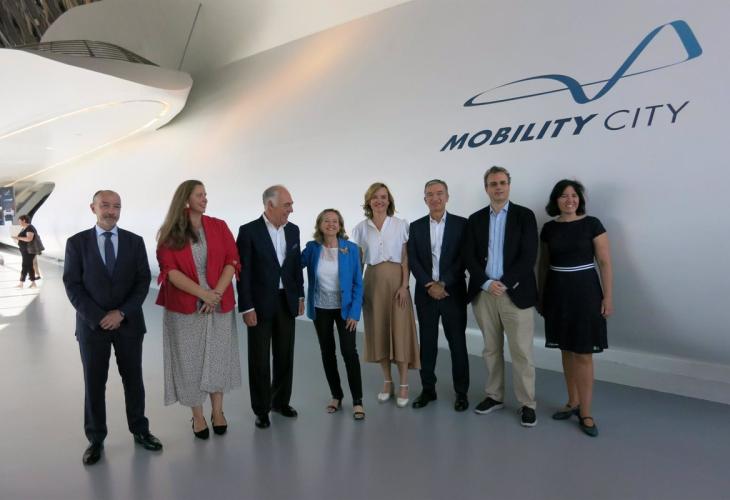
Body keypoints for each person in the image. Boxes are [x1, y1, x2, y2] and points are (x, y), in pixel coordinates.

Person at [62, 190, 162, 466]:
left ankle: (140, 430)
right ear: (92, 207)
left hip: (129, 325)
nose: (111, 211)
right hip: (92, 327)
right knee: (94, 383)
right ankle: (96, 439)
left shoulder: (134, 242)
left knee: (134, 380)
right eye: (105, 205)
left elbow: (142, 281)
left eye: (116, 206)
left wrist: (121, 312)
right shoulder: (76, 243)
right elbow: (72, 285)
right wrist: (99, 317)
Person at [156, 180, 242, 439]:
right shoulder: (169, 233)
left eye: (206, 194)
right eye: (199, 195)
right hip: (186, 304)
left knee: (217, 357)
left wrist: (214, 295)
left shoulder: (219, 226)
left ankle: (217, 412)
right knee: (190, 361)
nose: (205, 199)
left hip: (218, 300)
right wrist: (203, 294)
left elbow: (232, 260)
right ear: (185, 199)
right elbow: (169, 271)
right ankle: (197, 416)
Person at [464, 166, 539, 427]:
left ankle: (527, 403)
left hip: (515, 293)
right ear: (486, 188)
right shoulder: (475, 219)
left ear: (509, 185)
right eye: (493, 183)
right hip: (484, 294)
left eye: (502, 183)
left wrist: (504, 283)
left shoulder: (524, 216)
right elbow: (468, 256)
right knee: (491, 349)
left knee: (522, 352)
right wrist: (486, 283)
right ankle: (494, 396)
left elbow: (529, 255)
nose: (498, 187)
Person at [538, 179, 613, 437]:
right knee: (566, 349)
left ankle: (587, 412)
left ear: (579, 199)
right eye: (563, 195)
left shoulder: (593, 224)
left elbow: (604, 263)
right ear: (556, 200)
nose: (569, 200)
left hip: (586, 293)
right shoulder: (549, 228)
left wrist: (608, 297)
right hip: (558, 293)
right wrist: (541, 296)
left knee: (583, 353)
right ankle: (572, 402)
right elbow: (543, 265)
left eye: (574, 195)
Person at [237, 185, 305, 429]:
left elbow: (295, 266)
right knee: (259, 359)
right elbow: (242, 273)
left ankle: (280, 402)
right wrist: (246, 307)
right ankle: (261, 408)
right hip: (259, 304)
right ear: (270, 205)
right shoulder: (248, 231)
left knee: (285, 355)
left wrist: (300, 296)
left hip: (286, 300)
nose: (291, 209)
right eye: (287, 205)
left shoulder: (293, 230)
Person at [350, 182, 419, 408]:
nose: (379, 200)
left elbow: (406, 259)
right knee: (378, 330)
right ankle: (387, 382)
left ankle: (404, 384)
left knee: (400, 331)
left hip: (397, 283)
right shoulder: (361, 229)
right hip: (372, 282)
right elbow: (358, 263)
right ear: (368, 201)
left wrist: (404, 286)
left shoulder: (401, 225)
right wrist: (357, 291)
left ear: (389, 201)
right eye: (375, 197)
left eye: (383, 197)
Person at [407, 179, 470, 411]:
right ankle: (428, 390)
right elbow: (413, 259)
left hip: (453, 292)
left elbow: (464, 257)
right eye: (430, 194)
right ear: (425, 199)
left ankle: (461, 393)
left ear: (447, 196)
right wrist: (428, 284)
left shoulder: (462, 224)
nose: (435, 198)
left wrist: (443, 283)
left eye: (439, 193)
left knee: (457, 344)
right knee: (428, 344)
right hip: (426, 294)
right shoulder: (415, 226)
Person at [301, 209, 365, 420]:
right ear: (320, 225)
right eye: (326, 221)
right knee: (327, 352)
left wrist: (355, 313)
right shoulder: (312, 248)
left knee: (349, 352)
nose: (331, 224)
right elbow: (293, 266)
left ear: (340, 225)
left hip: (345, 309)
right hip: (320, 308)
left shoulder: (351, 249)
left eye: (335, 221)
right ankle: (336, 395)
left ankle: (357, 401)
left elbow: (358, 283)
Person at [12, 214, 38, 288]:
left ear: (24, 220)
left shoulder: (30, 228)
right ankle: (33, 283)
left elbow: (29, 239)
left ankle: (21, 283)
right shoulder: (25, 228)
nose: (19, 223)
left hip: (29, 251)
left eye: (20, 221)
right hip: (25, 250)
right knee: (29, 266)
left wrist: (18, 238)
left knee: (25, 266)